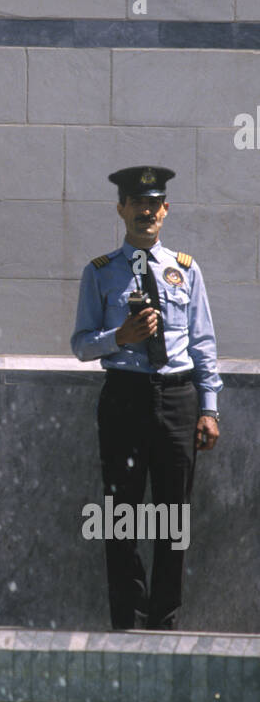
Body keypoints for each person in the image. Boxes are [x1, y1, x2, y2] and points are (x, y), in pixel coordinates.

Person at [71, 166, 221, 630]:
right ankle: (128, 622)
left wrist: (209, 408)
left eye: (154, 204)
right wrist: (120, 336)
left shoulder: (186, 270)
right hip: (125, 399)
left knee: (174, 516)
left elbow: (203, 345)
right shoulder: (100, 272)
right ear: (121, 209)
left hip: (177, 399)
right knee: (122, 515)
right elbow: (80, 344)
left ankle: (165, 622)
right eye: (136, 203)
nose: (146, 212)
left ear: (165, 210)